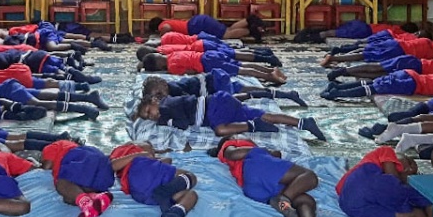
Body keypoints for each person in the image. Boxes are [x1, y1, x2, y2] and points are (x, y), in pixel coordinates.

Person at [210, 138, 341, 217]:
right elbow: (233, 153)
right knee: (309, 177)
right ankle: (285, 198)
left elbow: (275, 156)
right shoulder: (230, 144)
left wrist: (273, 154)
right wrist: (260, 150)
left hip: (254, 188)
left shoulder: (236, 164)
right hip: (258, 165)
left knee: (304, 199)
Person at [136, 91, 327, 141]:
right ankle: (303, 123)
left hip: (215, 107)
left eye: (148, 112)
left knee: (220, 131)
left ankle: (253, 126)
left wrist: (164, 121)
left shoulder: (166, 105)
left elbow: (183, 124)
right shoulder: (167, 106)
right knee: (265, 116)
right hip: (222, 105)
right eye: (147, 118)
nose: (151, 117)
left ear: (154, 101)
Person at [109, 141, 198, 217]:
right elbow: (168, 160)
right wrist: (151, 155)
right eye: (151, 148)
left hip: (141, 195)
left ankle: (174, 213)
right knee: (191, 176)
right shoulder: (137, 154)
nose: (153, 151)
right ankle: (166, 192)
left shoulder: (119, 158)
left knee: (191, 195)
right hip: (144, 173)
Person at [40, 140, 115, 217]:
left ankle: (87, 203)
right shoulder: (74, 148)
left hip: (81, 157)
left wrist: (39, 165)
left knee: (62, 184)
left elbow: (47, 166)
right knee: (69, 197)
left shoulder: (52, 146)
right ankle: (96, 197)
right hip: (102, 165)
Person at [142, 73, 308, 108]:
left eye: (159, 93)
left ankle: (284, 94)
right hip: (214, 78)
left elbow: (191, 102)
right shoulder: (169, 86)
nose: (161, 97)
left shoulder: (174, 90)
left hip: (212, 84)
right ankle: (285, 94)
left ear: (164, 84)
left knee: (237, 97)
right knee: (245, 89)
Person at [139, 50, 286, 86]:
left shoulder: (172, 67)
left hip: (207, 64)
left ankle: (269, 77)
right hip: (209, 55)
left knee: (241, 70)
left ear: (159, 67)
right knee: (241, 64)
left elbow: (190, 72)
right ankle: (269, 70)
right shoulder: (172, 55)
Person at [137, 36, 282, 68]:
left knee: (234, 56)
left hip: (201, 50)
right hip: (200, 43)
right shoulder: (164, 47)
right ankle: (263, 53)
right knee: (233, 51)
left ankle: (266, 58)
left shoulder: (165, 55)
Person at [321, 69, 433, 102]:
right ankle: (336, 93)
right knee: (375, 88)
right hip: (413, 84)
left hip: (410, 74)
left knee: (376, 82)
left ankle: (338, 87)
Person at [322, 53, 433, 80]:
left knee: (378, 75)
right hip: (414, 64)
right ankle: (344, 70)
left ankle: (344, 72)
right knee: (377, 69)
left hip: (414, 71)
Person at [147, 13, 264, 42]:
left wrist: (162, 37)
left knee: (226, 35)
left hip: (196, 26)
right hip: (198, 21)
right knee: (226, 29)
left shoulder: (163, 25)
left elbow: (166, 28)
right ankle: (249, 20)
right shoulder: (167, 20)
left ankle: (250, 30)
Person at [294, 20, 419, 44]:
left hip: (361, 24)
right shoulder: (399, 33)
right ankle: (307, 37)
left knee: (336, 31)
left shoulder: (394, 26)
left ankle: (309, 31)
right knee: (333, 33)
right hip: (364, 30)